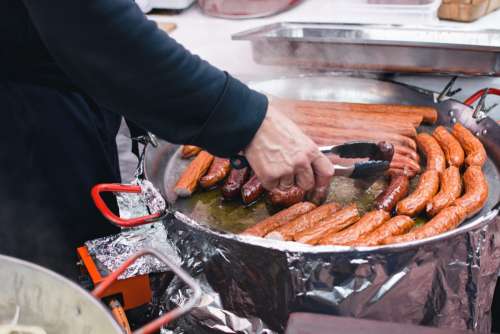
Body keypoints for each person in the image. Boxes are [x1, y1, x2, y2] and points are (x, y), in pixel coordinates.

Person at [0, 0, 334, 278]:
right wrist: (251, 122)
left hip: (57, 93)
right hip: (21, 131)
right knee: (45, 295)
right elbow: (92, 23)